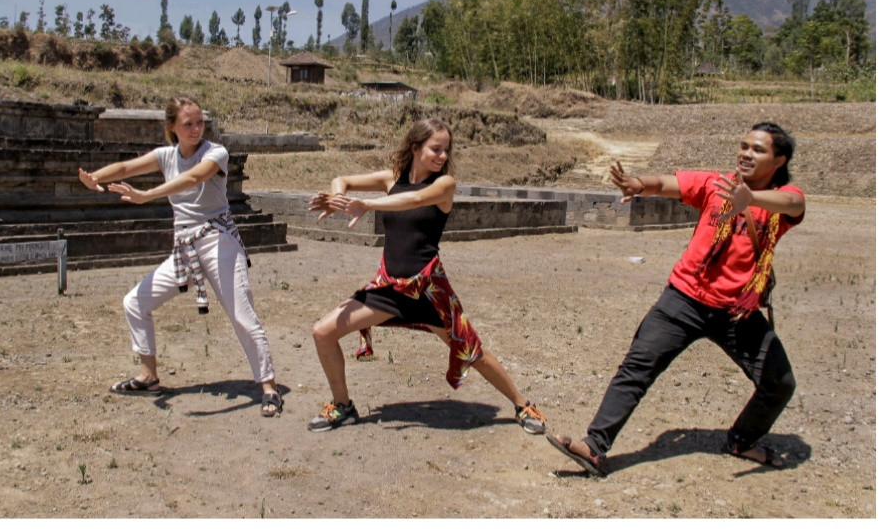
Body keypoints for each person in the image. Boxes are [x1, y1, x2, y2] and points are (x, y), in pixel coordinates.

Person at [549, 122, 805, 476]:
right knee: (636, 369)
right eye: (743, 146)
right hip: (683, 299)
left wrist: (752, 198)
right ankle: (594, 447)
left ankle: (743, 440)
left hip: (736, 312)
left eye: (758, 150)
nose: (746, 153)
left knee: (780, 383)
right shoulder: (716, 184)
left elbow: (793, 202)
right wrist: (638, 185)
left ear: (779, 159)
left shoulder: (782, 198)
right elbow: (668, 183)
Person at [305, 117, 547, 434]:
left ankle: (521, 404)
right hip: (390, 289)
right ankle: (342, 405)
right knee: (323, 332)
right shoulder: (392, 179)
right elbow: (342, 179)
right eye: (436, 149)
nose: (443, 156)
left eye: (446, 150)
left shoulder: (444, 186)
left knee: (470, 351)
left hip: (429, 291)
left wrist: (366, 204)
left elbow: (416, 199)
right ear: (416, 147)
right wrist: (338, 198)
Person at [78, 96, 282, 417]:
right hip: (185, 245)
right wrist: (95, 176)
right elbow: (127, 167)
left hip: (218, 240)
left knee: (242, 314)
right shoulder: (165, 155)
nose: (196, 129)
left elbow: (193, 178)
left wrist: (147, 195)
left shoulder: (216, 152)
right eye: (187, 124)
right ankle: (148, 376)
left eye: (199, 122)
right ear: (172, 127)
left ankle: (269, 386)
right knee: (135, 302)